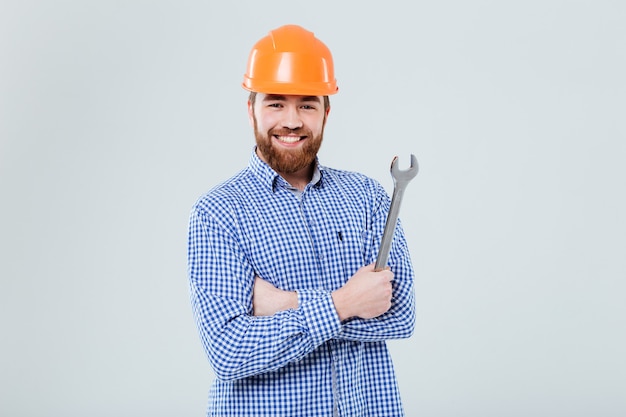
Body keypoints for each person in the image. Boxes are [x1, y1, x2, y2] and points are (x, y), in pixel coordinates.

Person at [187, 24, 416, 417]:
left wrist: (284, 303)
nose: (292, 121)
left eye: (307, 105)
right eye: (275, 103)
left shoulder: (367, 197)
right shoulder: (218, 213)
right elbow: (228, 351)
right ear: (251, 110)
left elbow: (400, 315)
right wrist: (344, 303)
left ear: (326, 112)